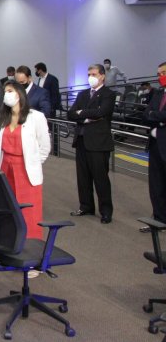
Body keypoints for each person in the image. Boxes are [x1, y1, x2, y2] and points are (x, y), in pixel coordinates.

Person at [0, 82, 51, 242]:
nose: (6, 94)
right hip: (5, 168)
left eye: (10, 91)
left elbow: (45, 147)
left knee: (28, 211)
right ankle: (11, 243)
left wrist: (34, 163)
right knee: (8, 207)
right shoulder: (5, 117)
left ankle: (31, 246)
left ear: (19, 94)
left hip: (26, 170)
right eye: (5, 91)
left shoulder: (36, 117)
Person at [67, 64, 115, 224]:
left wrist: (81, 113)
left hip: (99, 143)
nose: (90, 77)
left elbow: (102, 112)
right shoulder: (82, 94)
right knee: (83, 177)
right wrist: (87, 117)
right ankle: (86, 206)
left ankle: (106, 211)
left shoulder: (108, 94)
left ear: (102, 76)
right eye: (89, 74)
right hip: (81, 140)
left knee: (101, 178)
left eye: (93, 74)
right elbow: (71, 114)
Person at [143, 62, 166, 231]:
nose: (160, 77)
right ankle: (159, 219)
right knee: (156, 184)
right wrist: (159, 117)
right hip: (155, 146)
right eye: (158, 74)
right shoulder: (158, 93)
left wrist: (155, 115)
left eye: (164, 73)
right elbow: (145, 114)